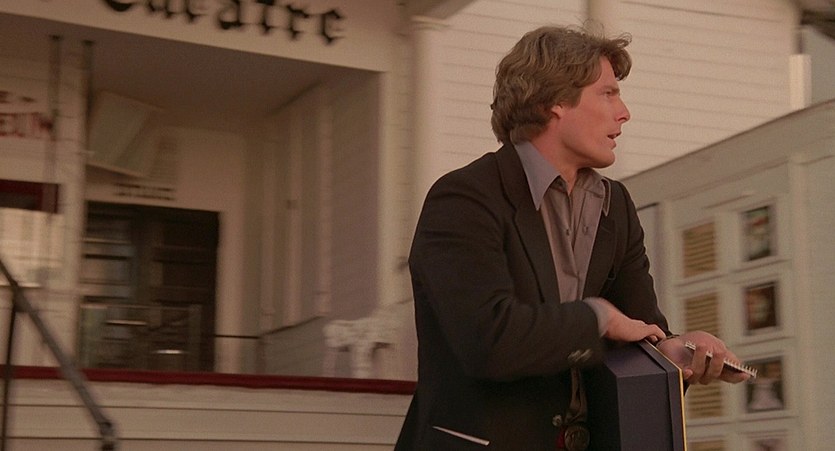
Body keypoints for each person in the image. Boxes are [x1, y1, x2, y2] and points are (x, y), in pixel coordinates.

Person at [395, 25, 749, 450]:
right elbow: (487, 340)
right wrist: (598, 318)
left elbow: (638, 331)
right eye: (608, 93)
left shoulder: (616, 205)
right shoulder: (464, 197)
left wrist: (673, 354)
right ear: (555, 101)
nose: (624, 112)